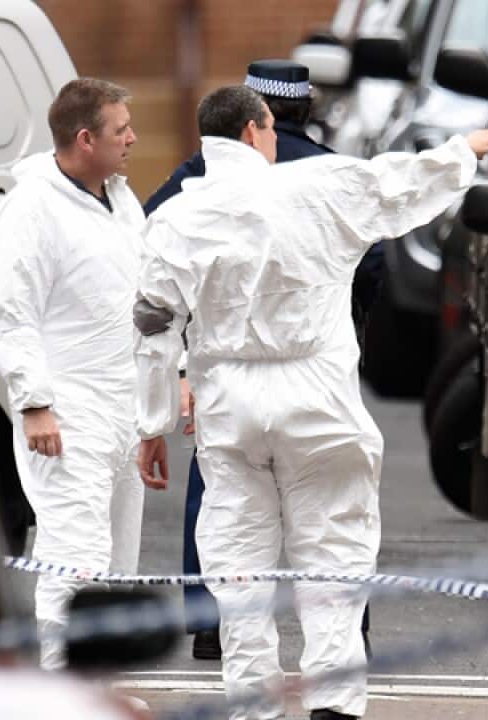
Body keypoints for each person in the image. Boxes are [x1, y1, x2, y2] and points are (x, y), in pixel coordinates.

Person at [133, 84, 488, 720]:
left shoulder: (176, 217)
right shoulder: (315, 186)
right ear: (258, 130)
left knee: (239, 570)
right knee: (332, 559)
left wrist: (153, 424)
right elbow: (399, 184)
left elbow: (150, 324)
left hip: (230, 401)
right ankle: (333, 706)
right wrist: (464, 149)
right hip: (316, 398)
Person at [143, 59, 382, 662]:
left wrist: (182, 360)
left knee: (223, 491)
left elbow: (153, 244)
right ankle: (347, 633)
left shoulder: (204, 171)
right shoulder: (330, 171)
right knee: (333, 503)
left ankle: (209, 620)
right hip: (319, 363)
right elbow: (376, 263)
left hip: (227, 369)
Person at [0, 78, 147, 670]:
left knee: (116, 564)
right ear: (85, 138)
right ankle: (57, 689)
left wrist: (166, 384)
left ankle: (97, 685)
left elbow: (145, 302)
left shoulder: (121, 200)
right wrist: (34, 403)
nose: (133, 137)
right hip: (67, 412)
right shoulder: (32, 209)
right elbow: (10, 312)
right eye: (120, 129)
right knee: (73, 557)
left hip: (122, 407)